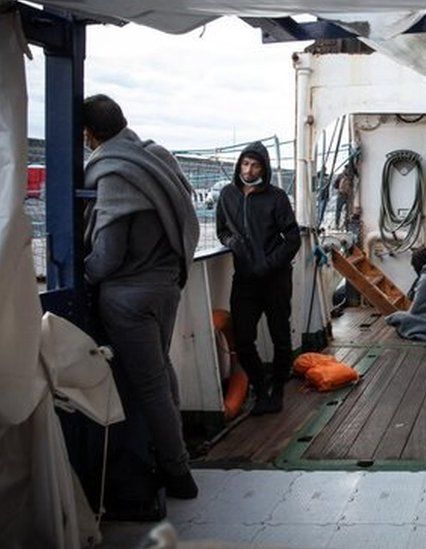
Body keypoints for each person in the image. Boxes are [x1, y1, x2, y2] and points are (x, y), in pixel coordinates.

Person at [82, 94, 200, 499]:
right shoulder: (158, 158)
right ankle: (177, 455)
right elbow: (186, 220)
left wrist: (86, 273)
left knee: (149, 386)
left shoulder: (114, 173)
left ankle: (178, 473)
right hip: (166, 287)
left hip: (127, 299)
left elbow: (108, 254)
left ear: (88, 135)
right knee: (163, 373)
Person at [216, 141, 301, 416]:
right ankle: (260, 387)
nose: (249, 169)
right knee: (242, 338)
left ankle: (277, 392)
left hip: (275, 280)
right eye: (245, 163)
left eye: (255, 165)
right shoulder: (227, 195)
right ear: (239, 164)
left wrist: (269, 263)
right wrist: (233, 242)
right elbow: (221, 231)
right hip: (245, 280)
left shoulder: (276, 198)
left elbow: (293, 239)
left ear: (263, 167)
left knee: (280, 337)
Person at [333, 162, 355, 229]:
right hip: (341, 195)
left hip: (348, 195)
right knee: (338, 211)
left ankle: (346, 225)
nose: (348, 170)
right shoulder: (341, 176)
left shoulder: (351, 176)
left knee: (348, 211)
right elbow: (335, 185)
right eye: (347, 169)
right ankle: (337, 224)